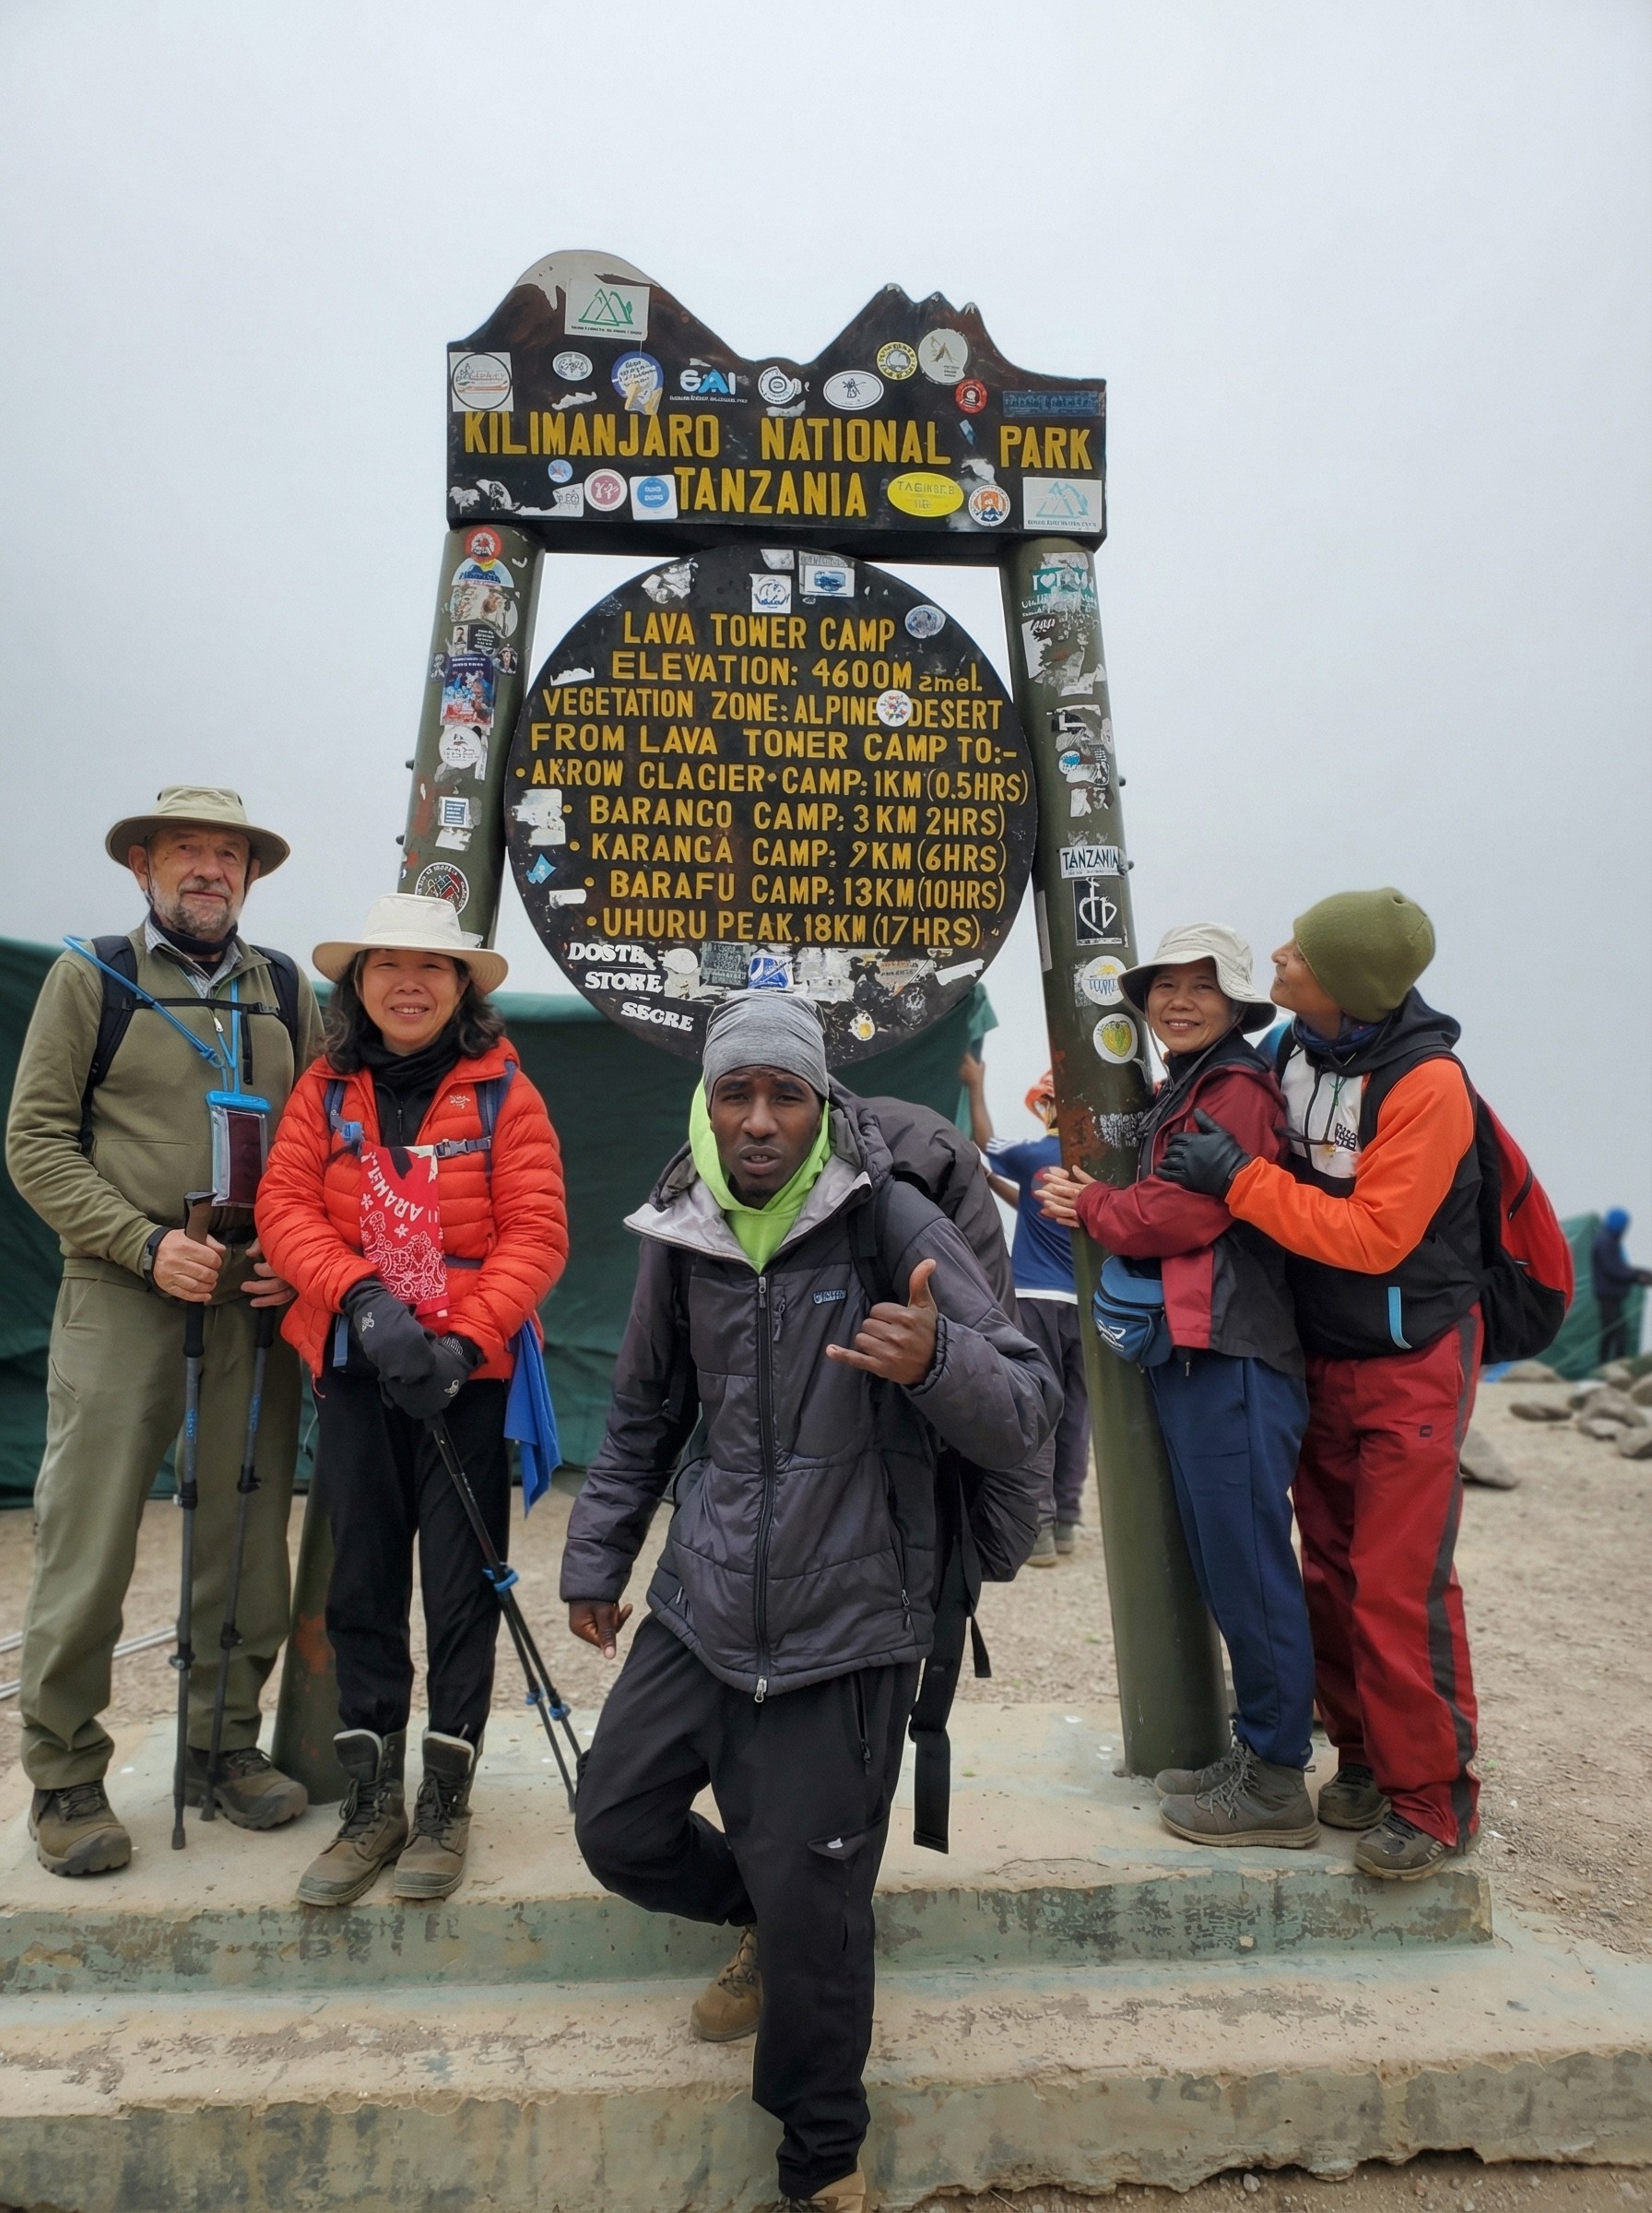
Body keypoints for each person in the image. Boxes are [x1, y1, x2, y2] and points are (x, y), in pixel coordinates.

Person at [562, 994, 1054, 2213]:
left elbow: (1030, 1403)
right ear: (710, 1104)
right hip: (706, 1597)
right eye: (739, 1095)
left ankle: (823, 2158)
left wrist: (936, 1361)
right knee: (615, 1824)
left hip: (851, 1617)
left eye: (787, 1095)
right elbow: (639, 1415)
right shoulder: (681, 1230)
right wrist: (598, 1559)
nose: (762, 1120)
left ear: (822, 1104)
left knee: (820, 1901)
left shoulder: (890, 1218)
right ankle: (773, 1919)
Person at [6, 786, 320, 1876]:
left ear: (249, 874)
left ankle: (221, 1745)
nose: (207, 869)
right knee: (89, 1534)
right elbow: (36, 1143)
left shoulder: (286, 989)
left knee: (245, 1529)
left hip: (253, 1302)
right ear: (142, 865)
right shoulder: (88, 976)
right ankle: (64, 1771)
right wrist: (143, 1245)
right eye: (185, 849)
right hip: (122, 1293)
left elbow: (320, 1136)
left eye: (226, 854)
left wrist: (297, 1247)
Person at [1158, 889, 1482, 1880]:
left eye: (1300, 954)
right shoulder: (1297, 1052)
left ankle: (1434, 1802)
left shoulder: (1427, 1086)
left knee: (1395, 1584)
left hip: (1412, 1358)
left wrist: (1239, 1183)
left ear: (1345, 984)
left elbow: (1376, 1235)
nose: (1281, 957)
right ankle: (1363, 1765)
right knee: (1326, 1573)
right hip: (1324, 1355)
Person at [254, 894, 567, 1907]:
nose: (408, 983)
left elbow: (537, 1234)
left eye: (432, 968)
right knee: (362, 1585)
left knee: (464, 1586)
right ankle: (371, 1801)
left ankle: (444, 1802)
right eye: (386, 964)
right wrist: (366, 1303)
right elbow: (285, 1206)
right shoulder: (325, 1088)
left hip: (465, 1383)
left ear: (463, 987)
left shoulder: (503, 1095)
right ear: (358, 984)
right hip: (355, 1366)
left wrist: (463, 1338)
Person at [1039, 927, 1316, 1846]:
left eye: (1204, 986)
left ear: (1238, 1005)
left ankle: (1276, 1779)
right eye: (1165, 986)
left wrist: (1094, 1207)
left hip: (1231, 1353)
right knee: (1228, 1562)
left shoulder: (1234, 1088)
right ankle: (1262, 1755)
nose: (1180, 1000)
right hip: (1208, 1355)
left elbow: (1185, 1214)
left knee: (1247, 1567)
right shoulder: (1191, 1088)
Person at [961, 1054, 1089, 1561]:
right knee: (1078, 1414)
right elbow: (1041, 1206)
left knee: (1041, 1406)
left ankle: (1036, 1526)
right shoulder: (1094, 1166)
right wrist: (999, 1188)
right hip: (1087, 1305)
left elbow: (983, 1141)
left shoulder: (1037, 1152)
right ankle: (1069, 1522)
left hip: (1037, 1300)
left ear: (1051, 1105)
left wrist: (976, 1085)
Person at [1590, 1209, 1650, 1367]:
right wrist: (1637, 1277)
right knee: (1617, 1332)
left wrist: (1639, 1273)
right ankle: (1616, 1368)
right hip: (1608, 1295)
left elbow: (1618, 1268)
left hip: (1612, 1295)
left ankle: (1605, 1367)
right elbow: (1613, 1269)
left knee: (1610, 1332)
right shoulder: (1605, 1241)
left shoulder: (1609, 1240)